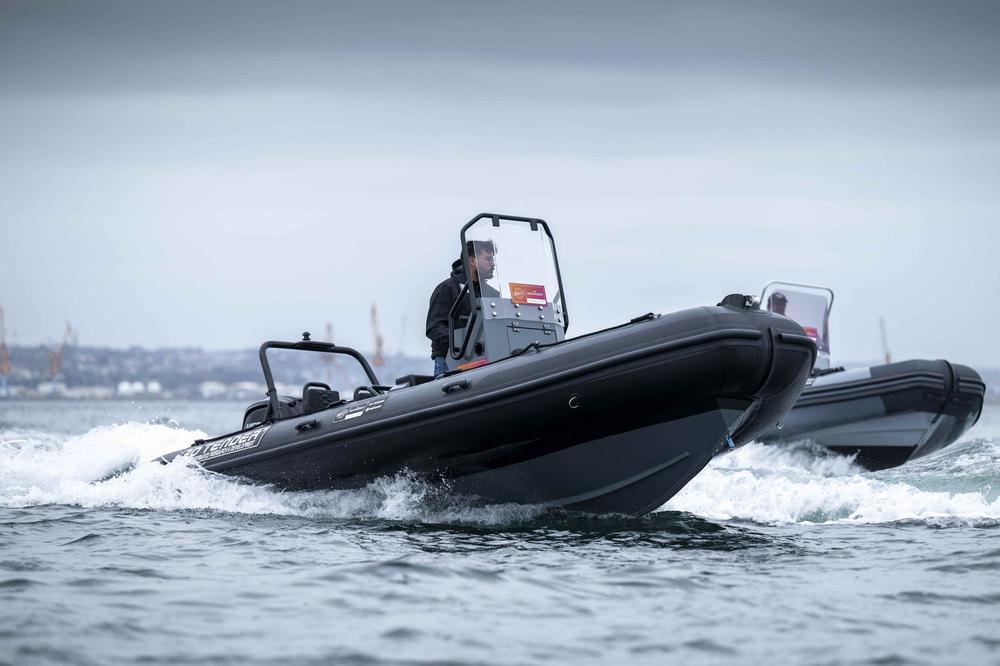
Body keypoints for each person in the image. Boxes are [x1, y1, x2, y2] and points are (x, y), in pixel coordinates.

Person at [426, 240, 499, 376]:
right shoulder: (447, 288)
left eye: (493, 259)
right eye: (488, 259)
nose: (493, 263)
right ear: (472, 260)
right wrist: (464, 341)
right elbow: (434, 327)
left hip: (486, 360)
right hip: (451, 361)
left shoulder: (493, 295)